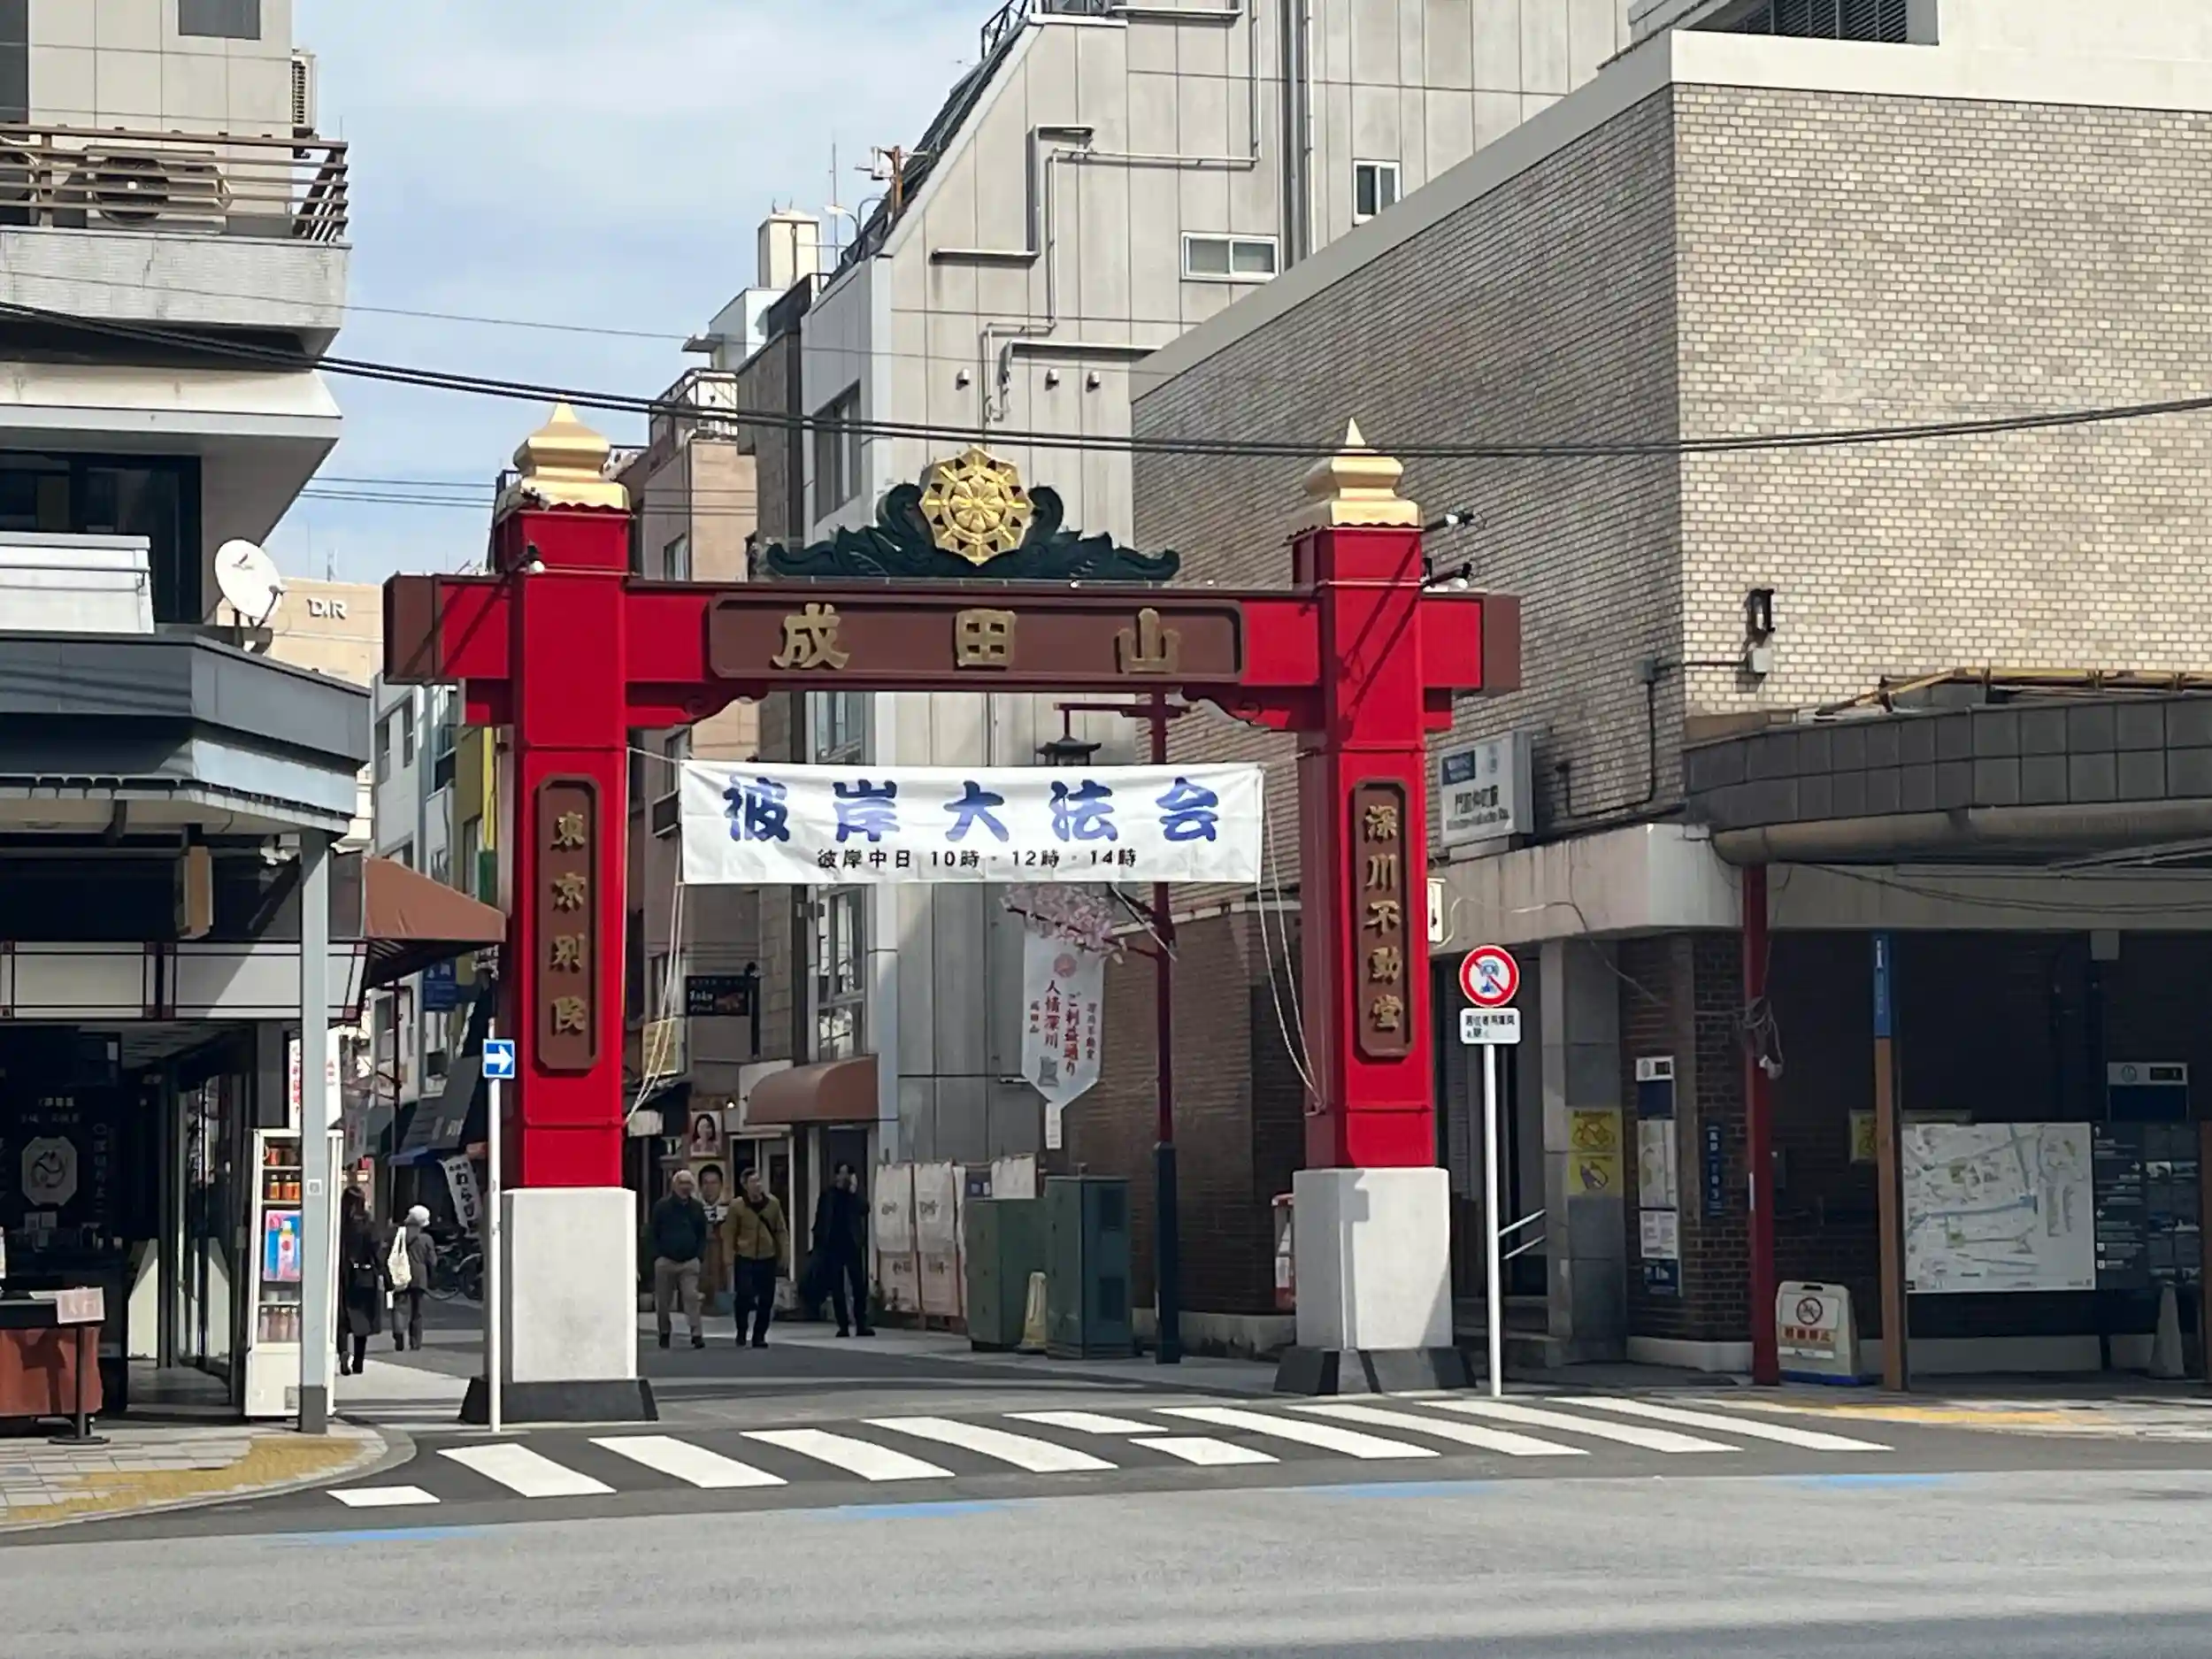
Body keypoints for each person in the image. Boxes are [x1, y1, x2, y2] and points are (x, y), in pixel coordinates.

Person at [645, 1166, 710, 1349]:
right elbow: (653, 1232)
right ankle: (664, 1332)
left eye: (689, 1183)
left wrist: (699, 1256)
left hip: (689, 1261)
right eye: (682, 1183)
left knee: (692, 1297)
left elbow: (702, 1233)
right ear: (674, 1185)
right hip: (665, 1259)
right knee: (663, 1301)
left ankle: (696, 1334)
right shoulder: (662, 1206)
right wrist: (656, 1256)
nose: (685, 1187)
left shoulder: (697, 1208)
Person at [726, 1164, 788, 1349]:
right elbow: (729, 1233)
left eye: (759, 1180)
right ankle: (742, 1330)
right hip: (745, 1256)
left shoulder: (773, 1204)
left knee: (766, 1299)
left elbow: (780, 1230)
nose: (757, 1185)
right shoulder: (737, 1206)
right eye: (753, 1181)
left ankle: (759, 1335)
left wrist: (784, 1254)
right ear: (745, 1185)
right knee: (744, 1295)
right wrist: (729, 1256)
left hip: (767, 1256)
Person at [810, 1161, 874, 1338]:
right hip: (832, 1246)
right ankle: (843, 1325)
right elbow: (820, 1220)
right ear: (837, 1175)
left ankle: (861, 1323)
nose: (846, 1177)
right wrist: (818, 1244)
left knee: (859, 1286)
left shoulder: (853, 1196)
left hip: (852, 1244)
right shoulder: (828, 1195)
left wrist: (855, 1191)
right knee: (837, 1287)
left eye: (849, 1173)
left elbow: (865, 1209)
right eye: (843, 1173)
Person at [336, 1187, 382, 1377]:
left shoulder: (338, 1223)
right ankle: (359, 1361)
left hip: (341, 1275)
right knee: (362, 1319)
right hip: (364, 1277)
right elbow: (376, 1252)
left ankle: (343, 1352)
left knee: (341, 1319)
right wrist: (385, 1275)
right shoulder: (368, 1224)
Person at [388, 1204, 437, 1352]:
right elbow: (432, 1261)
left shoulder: (398, 1235)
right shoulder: (426, 1239)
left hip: (400, 1275)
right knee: (417, 1311)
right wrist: (432, 1276)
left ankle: (398, 1335)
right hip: (419, 1277)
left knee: (399, 1306)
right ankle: (415, 1342)